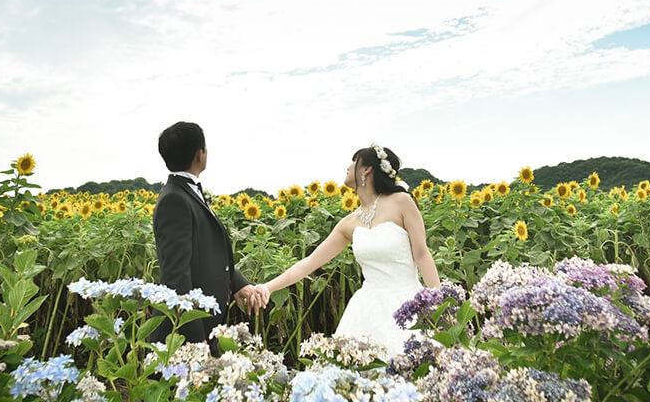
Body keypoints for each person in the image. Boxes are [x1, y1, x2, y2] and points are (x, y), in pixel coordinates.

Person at [245, 144, 440, 356]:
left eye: (353, 161)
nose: (348, 167)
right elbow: (309, 263)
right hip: (366, 308)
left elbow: (422, 255)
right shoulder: (349, 223)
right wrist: (267, 287)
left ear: (366, 169)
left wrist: (439, 304)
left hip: (407, 302)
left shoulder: (402, 202)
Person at [152, 121, 263, 353]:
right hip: (184, 334)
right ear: (199, 154)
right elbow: (176, 276)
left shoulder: (187, 193)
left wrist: (238, 285)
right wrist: (194, 338)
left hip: (206, 326)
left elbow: (210, 255)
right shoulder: (175, 200)